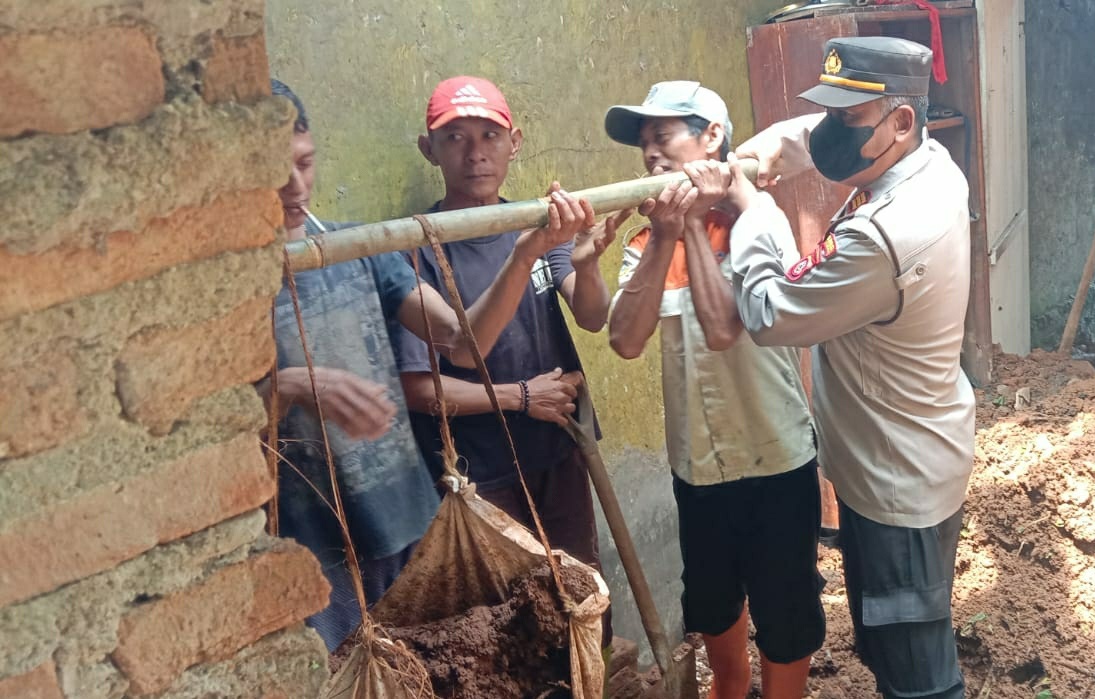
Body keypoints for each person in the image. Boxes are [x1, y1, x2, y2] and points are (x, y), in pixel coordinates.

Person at [262, 79, 589, 650]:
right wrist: (285, 385)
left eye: (305, 163)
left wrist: (525, 255)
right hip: (308, 544)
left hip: (407, 521)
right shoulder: (213, 290)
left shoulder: (359, 249)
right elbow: (193, 416)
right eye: (270, 171)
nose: (295, 187)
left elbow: (463, 346)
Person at [727, 37, 973, 699]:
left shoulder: (889, 233)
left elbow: (771, 311)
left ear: (900, 121)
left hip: (900, 486)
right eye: (830, 111)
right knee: (893, 646)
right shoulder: (929, 161)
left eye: (849, 118)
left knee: (919, 676)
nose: (831, 130)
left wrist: (752, 209)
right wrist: (761, 151)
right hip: (894, 461)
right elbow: (815, 136)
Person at [603, 81, 823, 699]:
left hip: (775, 459)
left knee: (785, 621)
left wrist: (696, 227)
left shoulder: (759, 220)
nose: (650, 155)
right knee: (715, 608)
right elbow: (624, 339)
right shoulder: (646, 244)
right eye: (643, 145)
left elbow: (726, 328)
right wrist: (671, 234)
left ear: (712, 139)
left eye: (663, 137)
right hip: (699, 468)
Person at [393, 75, 620, 595]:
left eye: (490, 136)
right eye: (456, 138)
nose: (476, 154)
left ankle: (597, 680)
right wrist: (520, 398)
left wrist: (586, 264)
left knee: (583, 596)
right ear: (430, 150)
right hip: (481, 474)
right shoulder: (414, 250)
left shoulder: (538, 225)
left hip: (559, 447)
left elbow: (591, 315)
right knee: (514, 619)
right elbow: (419, 391)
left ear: (514, 142)